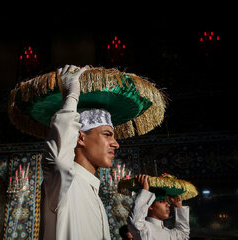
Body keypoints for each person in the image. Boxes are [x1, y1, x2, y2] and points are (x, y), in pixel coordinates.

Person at [41, 65, 120, 240]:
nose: (116, 144)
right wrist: (71, 97)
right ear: (80, 138)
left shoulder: (92, 193)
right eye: (107, 135)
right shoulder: (66, 184)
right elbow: (59, 161)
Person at [127, 174, 190, 240]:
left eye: (167, 202)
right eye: (162, 201)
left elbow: (183, 234)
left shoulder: (169, 233)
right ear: (150, 206)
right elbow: (135, 222)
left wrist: (178, 206)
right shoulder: (146, 229)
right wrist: (144, 191)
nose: (168, 205)